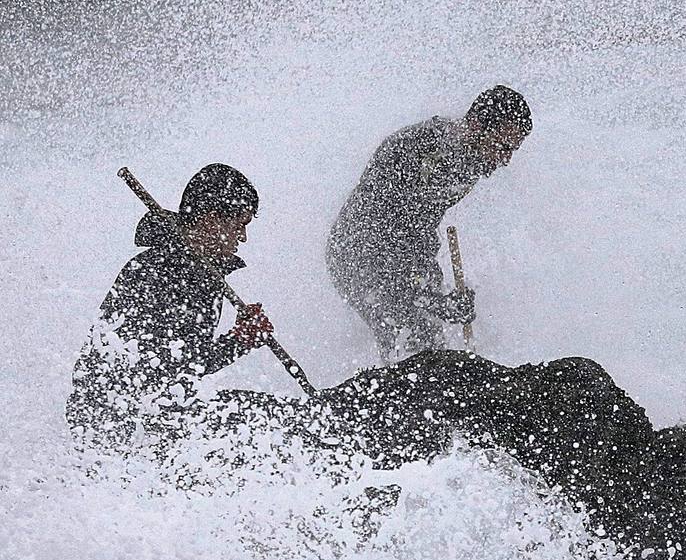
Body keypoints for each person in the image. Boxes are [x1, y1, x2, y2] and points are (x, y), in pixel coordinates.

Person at [67, 163, 276, 446]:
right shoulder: (163, 272)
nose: (242, 237)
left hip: (141, 416)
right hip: (117, 429)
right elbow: (174, 370)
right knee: (258, 418)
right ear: (211, 219)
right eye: (239, 225)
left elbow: (181, 365)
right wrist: (238, 341)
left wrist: (240, 341)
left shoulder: (193, 271)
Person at [327, 85, 533, 360]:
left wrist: (441, 295)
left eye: (512, 151)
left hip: (401, 250)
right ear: (475, 125)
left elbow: (419, 230)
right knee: (404, 339)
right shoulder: (419, 149)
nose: (505, 160)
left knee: (431, 344)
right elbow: (389, 231)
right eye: (503, 147)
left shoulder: (471, 160)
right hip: (355, 253)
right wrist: (432, 300)